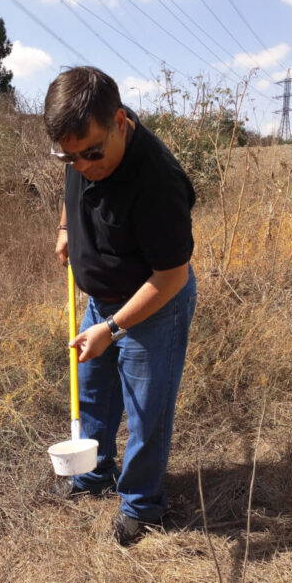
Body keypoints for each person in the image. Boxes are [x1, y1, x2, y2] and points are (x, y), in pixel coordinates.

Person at [44, 66, 197, 545]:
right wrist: (67, 228)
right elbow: (73, 186)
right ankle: (94, 474)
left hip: (153, 308)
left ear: (121, 123)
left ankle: (142, 505)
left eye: (91, 153)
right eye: (68, 157)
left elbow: (172, 276)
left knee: (146, 413)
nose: (83, 165)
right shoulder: (83, 149)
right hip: (99, 301)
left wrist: (111, 328)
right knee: (93, 394)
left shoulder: (158, 181)